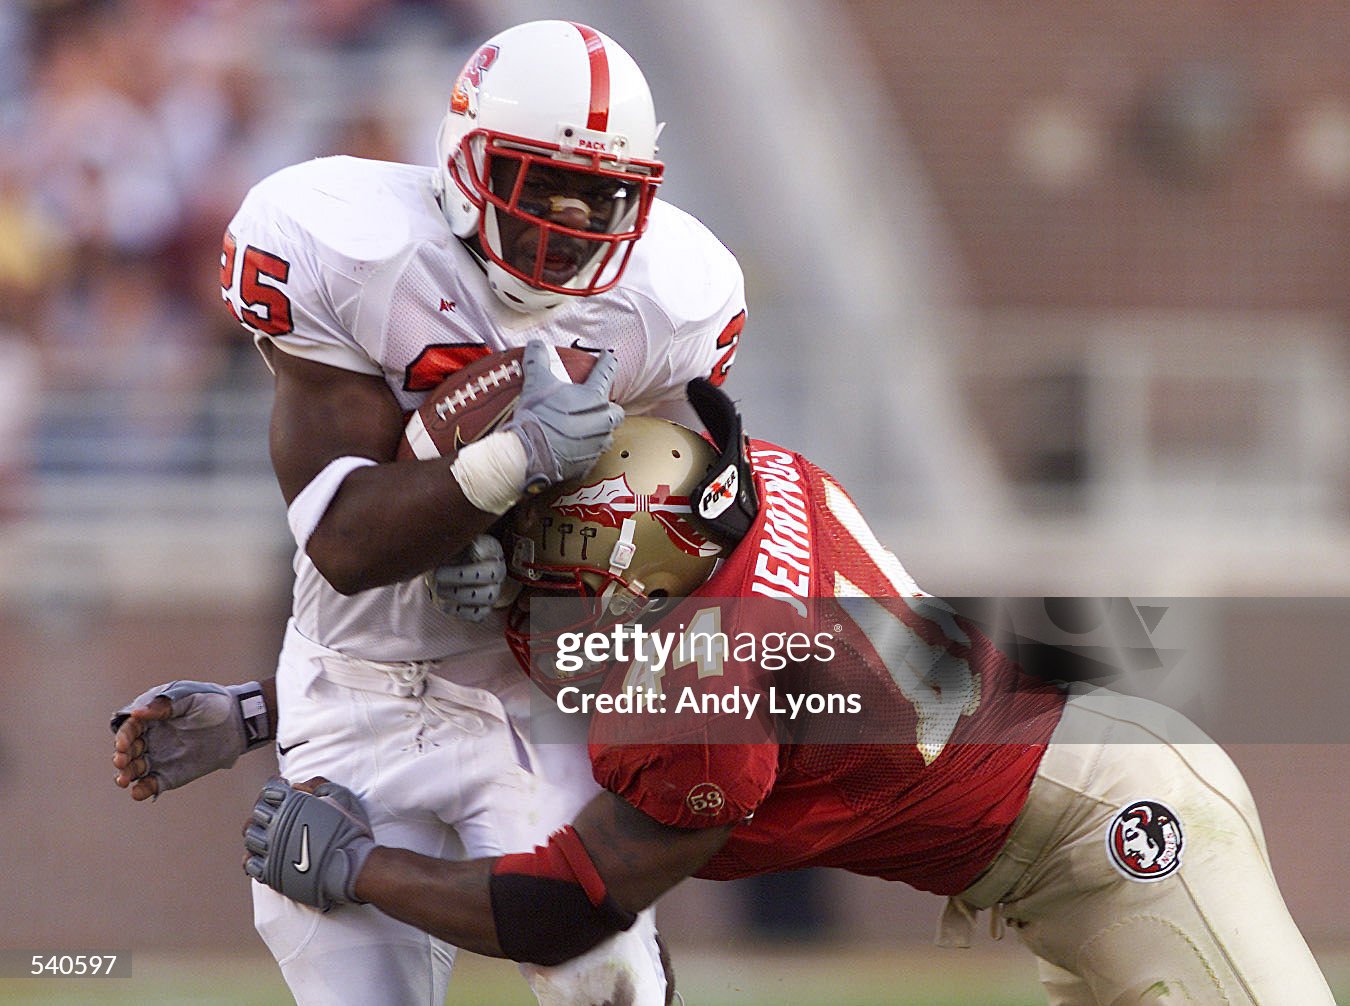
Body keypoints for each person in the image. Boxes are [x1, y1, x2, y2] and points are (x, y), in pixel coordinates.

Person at [240, 380, 1336, 1006]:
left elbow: (564, 907)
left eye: (543, 566)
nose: (523, 592)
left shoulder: (707, 687)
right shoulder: (750, 485)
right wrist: (264, 712)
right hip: (1073, 794)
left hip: (1112, 833)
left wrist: (357, 867)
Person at [111, 19, 745, 1006]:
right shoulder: (350, 247)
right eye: (542, 184)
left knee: (607, 979)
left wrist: (526, 556)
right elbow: (346, 540)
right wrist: (511, 462)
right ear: (466, 159)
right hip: (352, 696)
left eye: (600, 196)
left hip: (527, 697)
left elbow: (655, 544)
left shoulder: (672, 299)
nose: (571, 222)